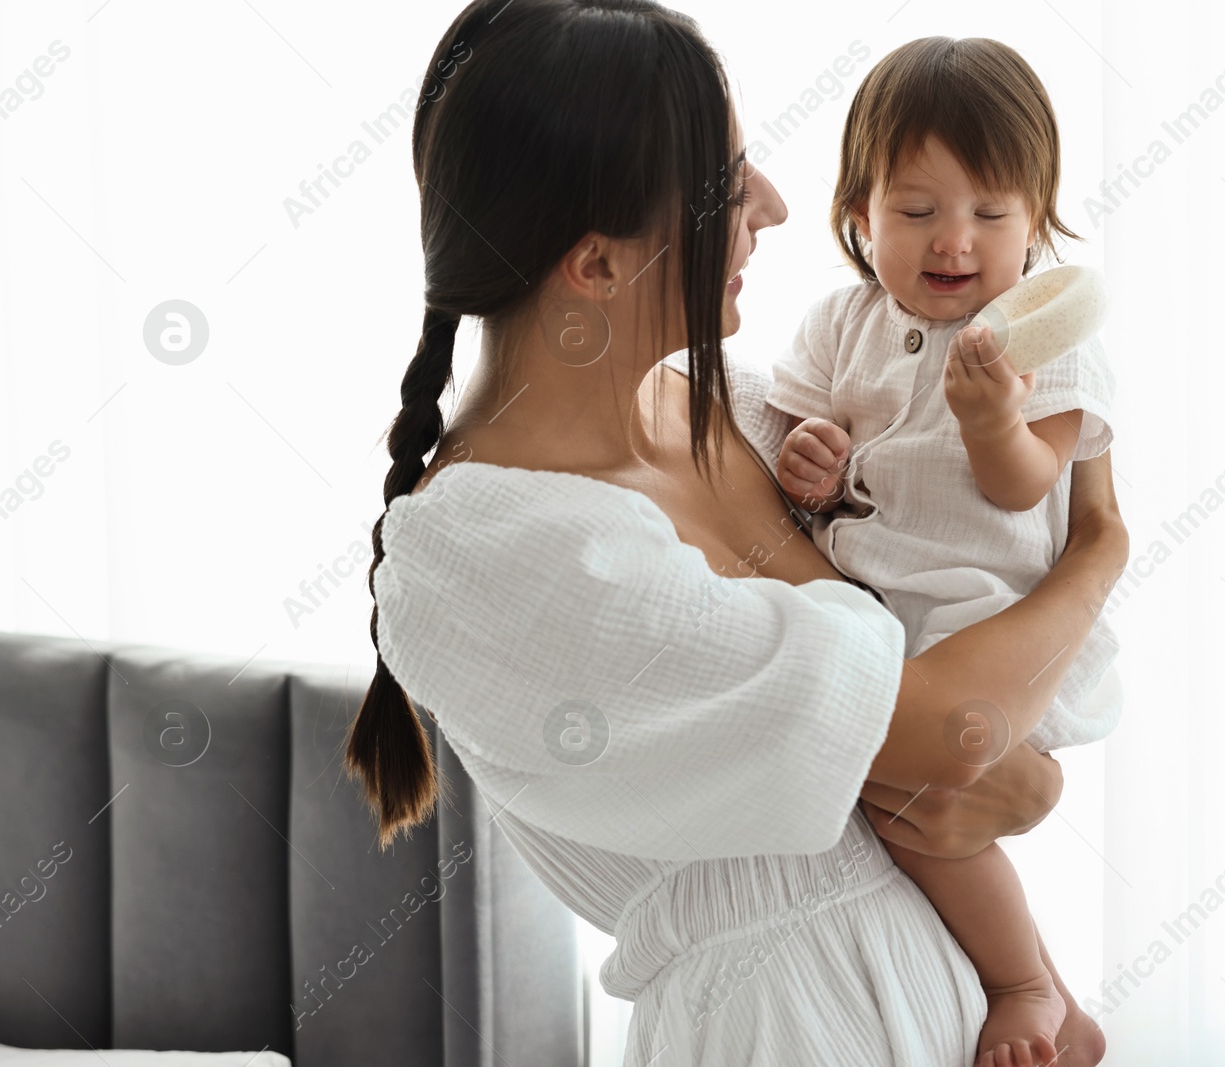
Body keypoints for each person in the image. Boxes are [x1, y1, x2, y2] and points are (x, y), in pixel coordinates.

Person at [343, 2, 1127, 1065]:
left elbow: (957, 727)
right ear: (597, 264)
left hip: (942, 1000)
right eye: (727, 184)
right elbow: (948, 732)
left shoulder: (744, 416)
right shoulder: (499, 552)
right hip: (782, 1029)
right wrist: (1097, 552)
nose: (772, 204)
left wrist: (1014, 787)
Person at [767, 37, 1119, 1066]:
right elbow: (797, 453)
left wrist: (990, 421)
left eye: (990, 213)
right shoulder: (843, 322)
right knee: (884, 803)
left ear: (1037, 220)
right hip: (884, 617)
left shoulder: (1042, 334)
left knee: (914, 807)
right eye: (915, 212)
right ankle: (1066, 1004)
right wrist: (809, 461)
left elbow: (1026, 485)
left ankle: (1023, 986)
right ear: (858, 214)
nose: (952, 241)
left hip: (994, 623)